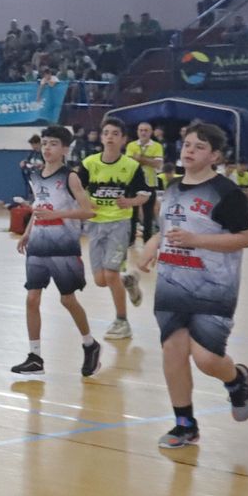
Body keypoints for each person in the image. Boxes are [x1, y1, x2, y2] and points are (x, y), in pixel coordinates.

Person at [133, 121, 248, 449]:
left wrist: (196, 240)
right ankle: (184, 424)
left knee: (206, 359)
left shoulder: (227, 192)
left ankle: (237, 379)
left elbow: (245, 238)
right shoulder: (172, 187)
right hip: (172, 283)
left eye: (199, 147)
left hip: (212, 287)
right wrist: (151, 245)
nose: (189, 150)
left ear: (214, 156)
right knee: (173, 350)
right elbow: (165, 230)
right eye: (187, 144)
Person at [10, 126, 100, 379]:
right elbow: (39, 206)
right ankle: (35, 357)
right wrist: (28, 231)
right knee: (32, 299)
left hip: (63, 246)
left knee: (67, 299)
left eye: (53, 144)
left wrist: (58, 214)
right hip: (38, 243)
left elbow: (89, 211)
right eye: (45, 143)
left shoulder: (70, 177)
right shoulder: (36, 175)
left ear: (65, 149)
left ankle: (90, 344)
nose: (47, 148)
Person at [80, 117, 151, 341]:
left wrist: (130, 202)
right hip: (95, 224)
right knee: (101, 280)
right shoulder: (89, 163)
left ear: (123, 139)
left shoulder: (131, 166)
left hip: (119, 224)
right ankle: (128, 281)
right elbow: (76, 189)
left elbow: (144, 195)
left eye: (115, 133)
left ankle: (122, 321)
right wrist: (84, 202)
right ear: (101, 138)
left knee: (111, 273)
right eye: (106, 133)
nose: (110, 137)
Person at [125, 122, 164, 244]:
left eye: (146, 130)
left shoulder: (157, 146)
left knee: (148, 214)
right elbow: (129, 163)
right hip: (133, 182)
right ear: (137, 131)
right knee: (132, 213)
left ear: (151, 132)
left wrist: (139, 158)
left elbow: (157, 164)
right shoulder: (131, 145)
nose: (143, 132)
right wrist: (148, 160)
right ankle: (130, 240)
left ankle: (147, 241)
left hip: (149, 183)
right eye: (141, 130)